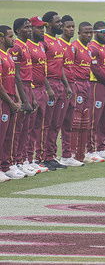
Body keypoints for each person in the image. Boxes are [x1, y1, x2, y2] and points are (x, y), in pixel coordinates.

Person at [42, 11, 73, 170]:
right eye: (58, 22)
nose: (60, 24)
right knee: (46, 124)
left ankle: (51, 156)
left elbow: (60, 66)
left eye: (61, 21)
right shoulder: (44, 42)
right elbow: (42, 67)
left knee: (56, 124)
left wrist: (66, 85)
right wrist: (48, 87)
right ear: (47, 24)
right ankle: (41, 157)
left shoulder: (58, 42)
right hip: (50, 85)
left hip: (60, 85)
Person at [9, 18, 40, 176]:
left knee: (26, 128)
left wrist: (32, 97)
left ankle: (21, 161)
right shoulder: (15, 47)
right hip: (20, 89)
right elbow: (16, 77)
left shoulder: (26, 46)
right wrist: (25, 99)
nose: (29, 30)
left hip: (28, 87)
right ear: (18, 31)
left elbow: (28, 77)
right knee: (18, 129)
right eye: (26, 27)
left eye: (30, 27)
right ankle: (13, 163)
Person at [85, 22, 105, 162]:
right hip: (97, 86)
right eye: (102, 31)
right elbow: (95, 68)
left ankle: (102, 147)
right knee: (94, 119)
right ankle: (90, 150)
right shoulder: (92, 48)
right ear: (95, 32)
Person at [71, 22, 102, 163]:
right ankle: (71, 154)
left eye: (90, 33)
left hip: (87, 84)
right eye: (85, 33)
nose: (88, 35)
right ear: (79, 33)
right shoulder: (74, 47)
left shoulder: (89, 49)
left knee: (85, 120)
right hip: (77, 84)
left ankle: (81, 155)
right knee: (75, 120)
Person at [59, 15, 85, 167]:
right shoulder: (59, 44)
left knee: (69, 122)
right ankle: (45, 156)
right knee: (55, 123)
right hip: (62, 87)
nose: (71, 29)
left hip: (72, 86)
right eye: (68, 27)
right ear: (61, 28)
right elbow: (59, 67)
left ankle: (67, 155)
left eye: (73, 27)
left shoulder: (72, 47)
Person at [25, 16, 50, 172]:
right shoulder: (26, 45)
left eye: (43, 28)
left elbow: (43, 69)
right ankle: (25, 159)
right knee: (28, 127)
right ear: (30, 29)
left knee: (38, 127)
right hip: (32, 90)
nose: (42, 30)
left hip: (42, 89)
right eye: (38, 28)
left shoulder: (41, 45)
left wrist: (47, 88)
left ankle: (32, 158)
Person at [0, 25, 23, 180]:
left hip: (12, 101)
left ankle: (5, 167)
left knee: (9, 136)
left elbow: (13, 79)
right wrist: (10, 101)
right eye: (10, 36)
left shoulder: (8, 55)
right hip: (3, 102)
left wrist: (19, 99)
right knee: (1, 135)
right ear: (1, 38)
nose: (13, 39)